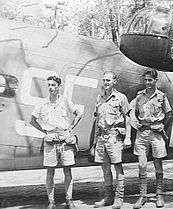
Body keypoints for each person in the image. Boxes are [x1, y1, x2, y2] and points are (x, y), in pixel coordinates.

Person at [30, 75, 82, 209]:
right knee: (50, 171)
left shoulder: (65, 101)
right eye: (49, 85)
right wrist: (45, 132)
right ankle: (51, 201)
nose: (51, 88)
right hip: (50, 139)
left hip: (65, 138)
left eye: (53, 85)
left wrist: (70, 128)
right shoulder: (42, 103)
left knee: (68, 170)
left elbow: (79, 114)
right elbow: (32, 120)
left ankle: (69, 200)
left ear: (59, 86)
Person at [130, 68, 171, 208]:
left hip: (156, 134)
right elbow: (135, 112)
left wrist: (161, 126)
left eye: (150, 80)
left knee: (158, 166)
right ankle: (143, 196)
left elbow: (169, 114)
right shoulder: (139, 97)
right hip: (142, 134)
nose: (147, 83)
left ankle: (159, 195)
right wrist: (138, 125)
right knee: (142, 165)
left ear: (155, 80)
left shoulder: (161, 96)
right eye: (145, 80)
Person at [92, 71, 131, 209]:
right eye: (104, 80)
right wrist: (95, 142)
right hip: (102, 137)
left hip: (115, 136)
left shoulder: (121, 98)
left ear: (115, 81)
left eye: (108, 80)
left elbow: (128, 118)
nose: (106, 82)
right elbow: (97, 120)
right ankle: (108, 197)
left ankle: (119, 199)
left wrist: (127, 137)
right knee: (105, 168)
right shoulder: (100, 98)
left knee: (117, 167)